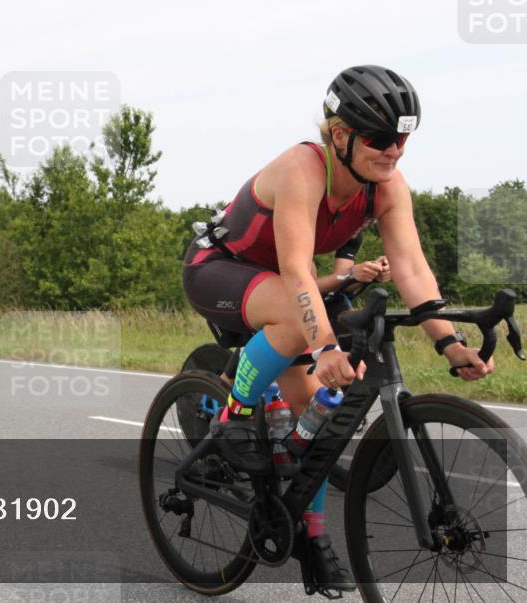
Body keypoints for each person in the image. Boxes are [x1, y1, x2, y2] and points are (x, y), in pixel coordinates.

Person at [182, 65, 493, 594]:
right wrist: (323, 344)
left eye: (402, 139)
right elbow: (296, 271)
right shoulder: (303, 169)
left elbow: (412, 269)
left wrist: (449, 343)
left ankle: (312, 537)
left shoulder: (387, 187)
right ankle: (233, 417)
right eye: (380, 139)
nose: (394, 151)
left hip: (280, 283)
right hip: (219, 268)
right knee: (297, 317)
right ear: (341, 134)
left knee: (314, 420)